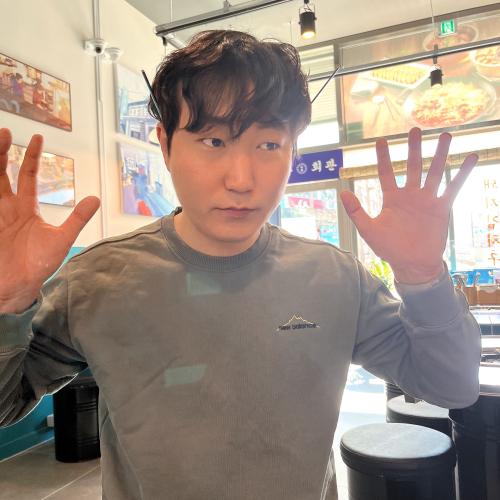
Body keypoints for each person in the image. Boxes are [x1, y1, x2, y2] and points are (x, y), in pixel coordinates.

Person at [0, 30, 480, 500]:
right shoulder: (97, 280)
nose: (241, 179)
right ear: (165, 145)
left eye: (269, 145)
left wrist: (424, 279)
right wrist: (8, 303)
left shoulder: (334, 277)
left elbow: (451, 386)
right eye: (213, 141)